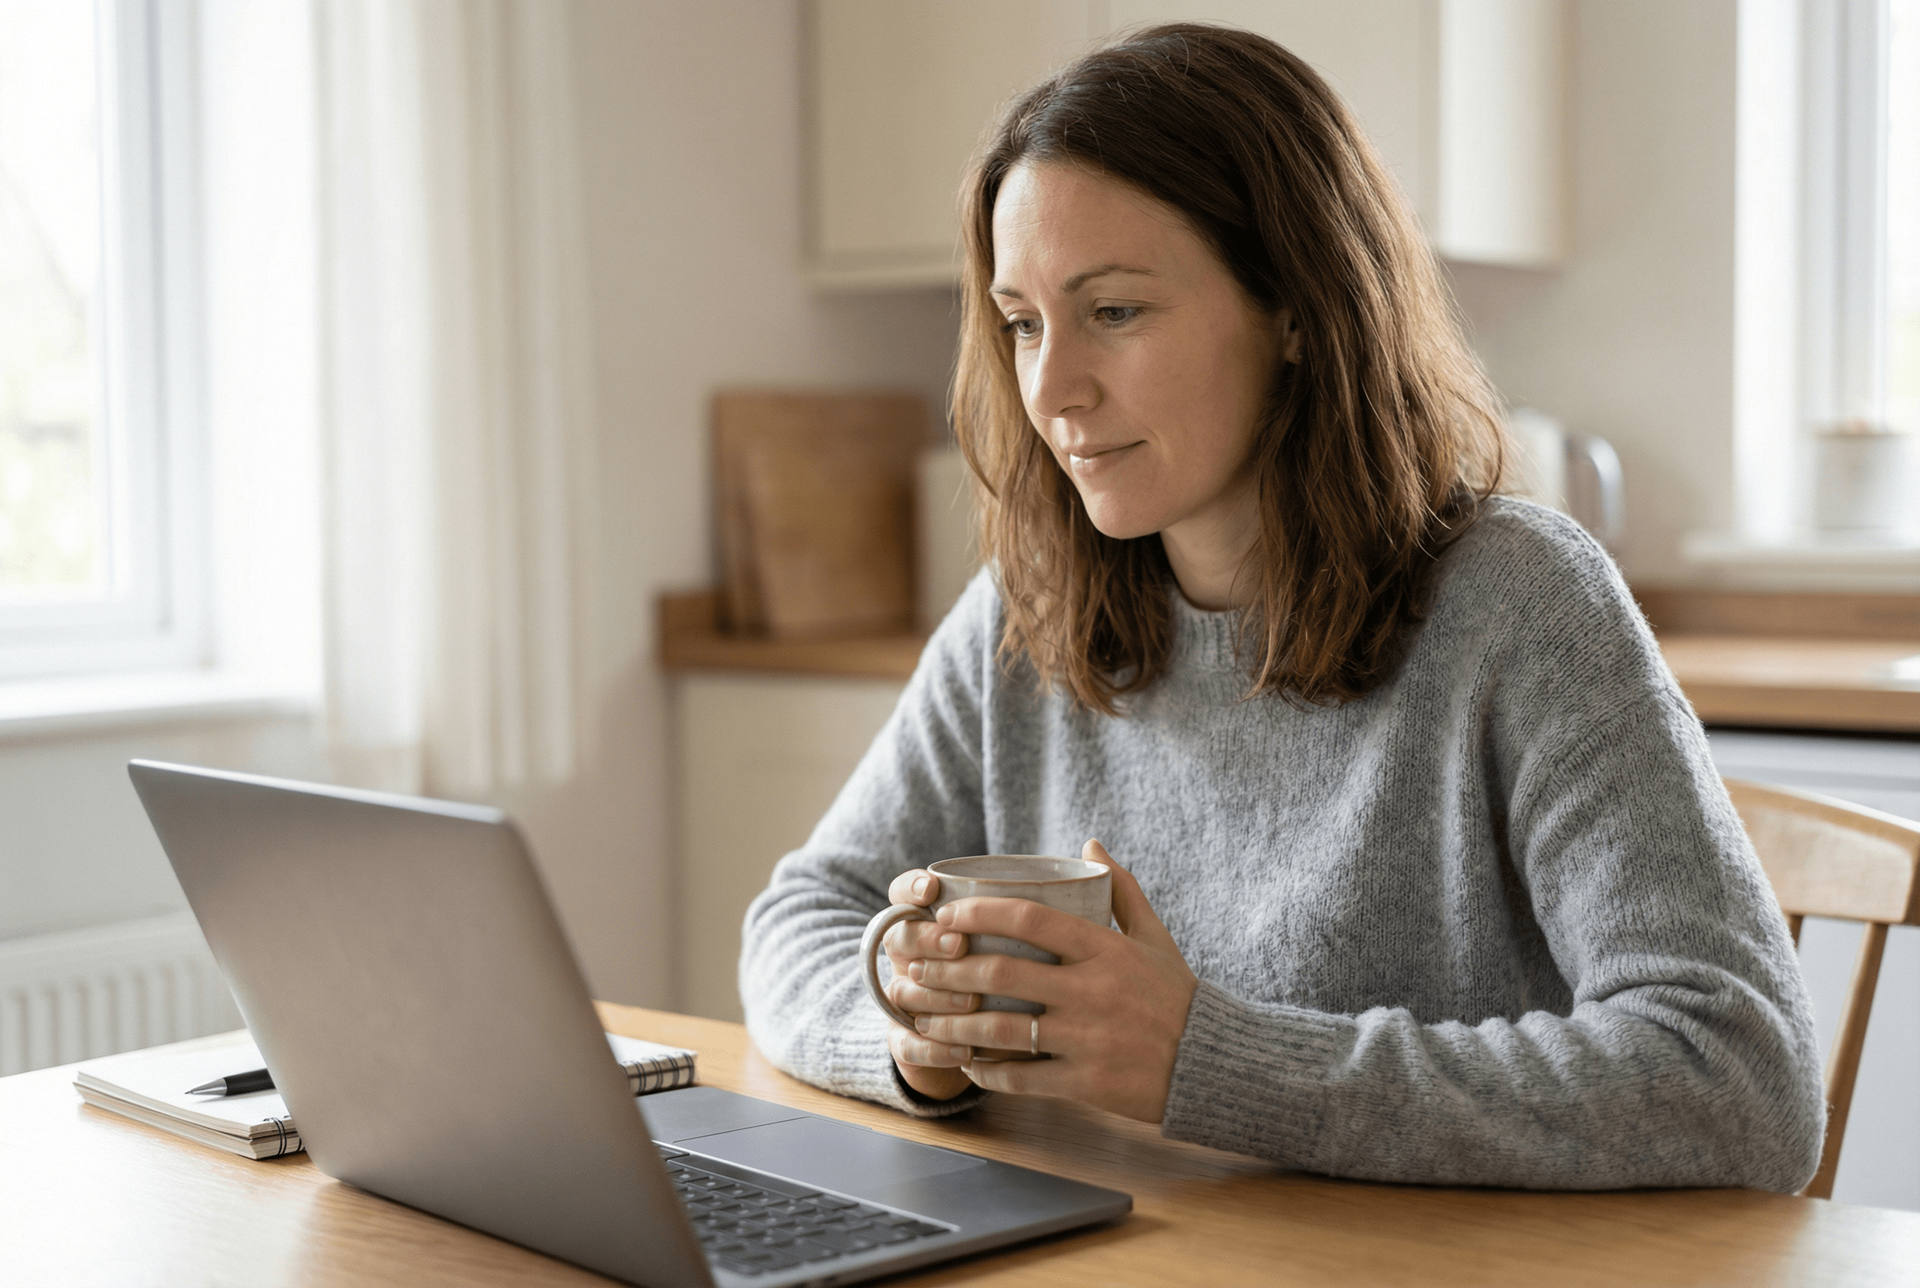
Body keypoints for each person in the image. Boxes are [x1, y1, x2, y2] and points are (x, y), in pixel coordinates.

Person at [739, 23, 1824, 1191]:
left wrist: (1206, 1061)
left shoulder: (1521, 602)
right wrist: (910, 1038)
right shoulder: (1025, 613)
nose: (1051, 389)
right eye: (1022, 322)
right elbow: (801, 918)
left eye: (1114, 312)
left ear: (1297, 311)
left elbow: (1741, 1081)